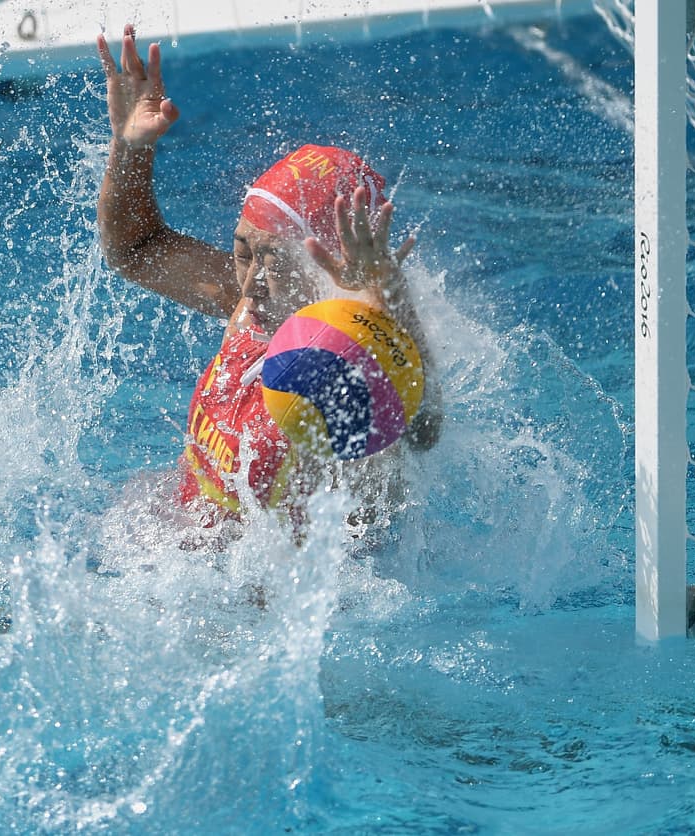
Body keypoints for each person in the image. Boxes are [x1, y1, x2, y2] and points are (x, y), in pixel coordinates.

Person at [96, 26, 443, 529]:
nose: (252, 281)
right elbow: (136, 250)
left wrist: (386, 288)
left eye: (276, 261)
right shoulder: (253, 306)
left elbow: (422, 429)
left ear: (330, 266)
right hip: (170, 535)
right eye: (243, 251)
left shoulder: (342, 365)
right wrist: (129, 147)